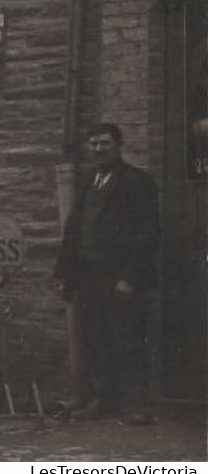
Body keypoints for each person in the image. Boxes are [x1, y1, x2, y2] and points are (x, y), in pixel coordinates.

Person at [54, 123, 160, 424]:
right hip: (90, 277)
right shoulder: (90, 181)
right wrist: (68, 273)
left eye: (105, 144)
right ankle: (103, 400)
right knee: (96, 339)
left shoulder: (137, 182)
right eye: (94, 144)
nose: (99, 149)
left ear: (119, 146)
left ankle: (136, 405)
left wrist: (129, 278)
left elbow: (147, 235)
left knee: (128, 339)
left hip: (120, 278)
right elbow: (75, 228)